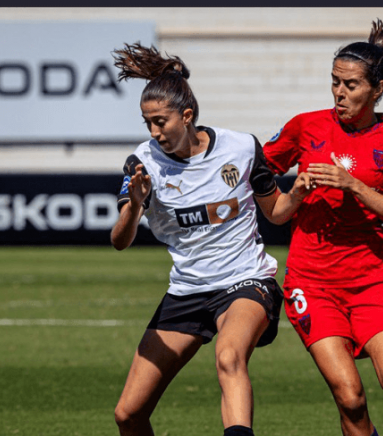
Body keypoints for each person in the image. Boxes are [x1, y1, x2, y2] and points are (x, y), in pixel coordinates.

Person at [109, 43, 311, 436]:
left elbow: (275, 212)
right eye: (147, 122)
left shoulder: (241, 147)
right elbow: (120, 240)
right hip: (187, 291)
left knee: (229, 357)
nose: (154, 132)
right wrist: (134, 205)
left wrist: (298, 194)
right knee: (128, 415)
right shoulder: (142, 162)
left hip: (246, 282)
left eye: (161, 121)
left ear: (186, 116)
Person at [262, 19, 383, 436]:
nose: (339, 93)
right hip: (313, 281)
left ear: (377, 89)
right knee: (350, 397)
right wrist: (291, 194)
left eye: (350, 85)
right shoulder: (305, 126)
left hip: (372, 280)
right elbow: (260, 176)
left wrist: (354, 185)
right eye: (334, 82)